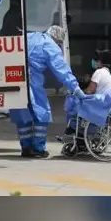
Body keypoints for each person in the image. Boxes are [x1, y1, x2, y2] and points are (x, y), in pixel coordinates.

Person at [10, 25, 85, 158]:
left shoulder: (31, 36)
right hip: (32, 80)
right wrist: (76, 88)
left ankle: (26, 147)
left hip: (14, 77)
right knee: (42, 112)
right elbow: (61, 70)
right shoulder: (49, 45)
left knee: (22, 115)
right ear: (57, 39)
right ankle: (38, 149)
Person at [63, 49, 111, 148]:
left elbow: (90, 90)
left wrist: (78, 92)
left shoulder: (99, 72)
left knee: (72, 101)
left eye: (95, 60)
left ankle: (73, 128)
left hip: (98, 103)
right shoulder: (108, 73)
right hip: (104, 103)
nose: (93, 62)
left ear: (100, 61)